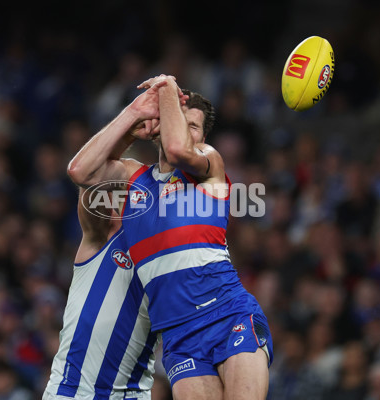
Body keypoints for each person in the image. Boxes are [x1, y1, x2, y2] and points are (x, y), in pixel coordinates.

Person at [68, 75, 273, 399]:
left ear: (203, 137)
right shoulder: (132, 178)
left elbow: (178, 150)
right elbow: (82, 172)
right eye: (180, 121)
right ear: (159, 125)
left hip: (228, 313)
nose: (187, 132)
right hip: (179, 337)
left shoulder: (210, 167)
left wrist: (166, 86)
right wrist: (134, 113)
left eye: (195, 126)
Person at [42, 189, 157, 399]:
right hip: (70, 392)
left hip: (130, 394)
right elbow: (86, 176)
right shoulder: (102, 236)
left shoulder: (172, 259)